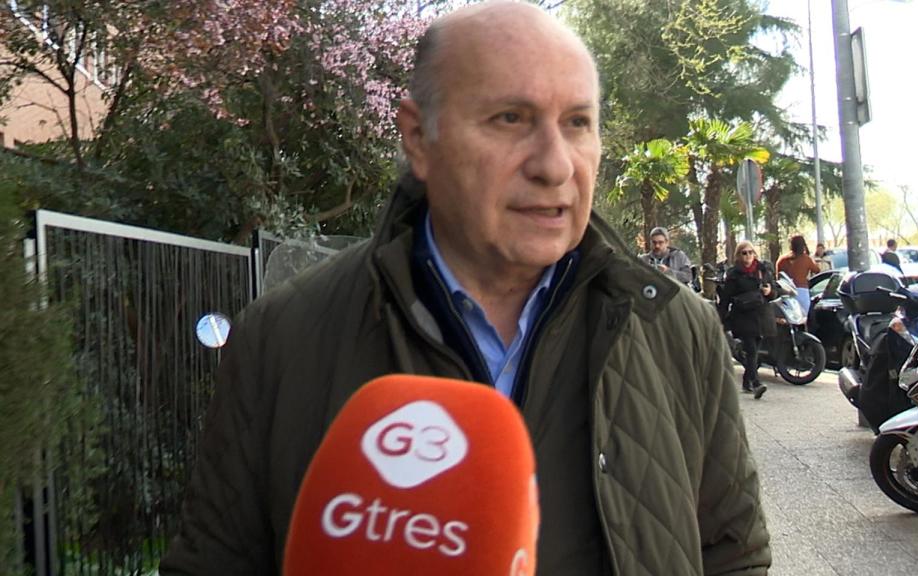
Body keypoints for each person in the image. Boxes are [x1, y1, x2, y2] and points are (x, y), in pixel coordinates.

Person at [160, 2, 770, 575]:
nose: (555, 165)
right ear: (419, 138)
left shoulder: (677, 327)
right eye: (512, 118)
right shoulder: (283, 337)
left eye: (578, 122)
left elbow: (733, 554)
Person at [719, 241, 774, 399]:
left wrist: (769, 291)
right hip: (743, 317)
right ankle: (756, 383)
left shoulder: (762, 270)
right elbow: (725, 298)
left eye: (750, 252)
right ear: (738, 255)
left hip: (761, 315)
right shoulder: (734, 274)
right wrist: (720, 318)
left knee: (755, 351)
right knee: (751, 350)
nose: (748, 255)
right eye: (744, 253)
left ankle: (746, 381)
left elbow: (774, 291)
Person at [775, 234, 820, 313]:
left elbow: (778, 278)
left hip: (786, 292)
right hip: (802, 291)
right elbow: (817, 270)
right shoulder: (806, 259)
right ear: (803, 245)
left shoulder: (782, 260)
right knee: (805, 317)